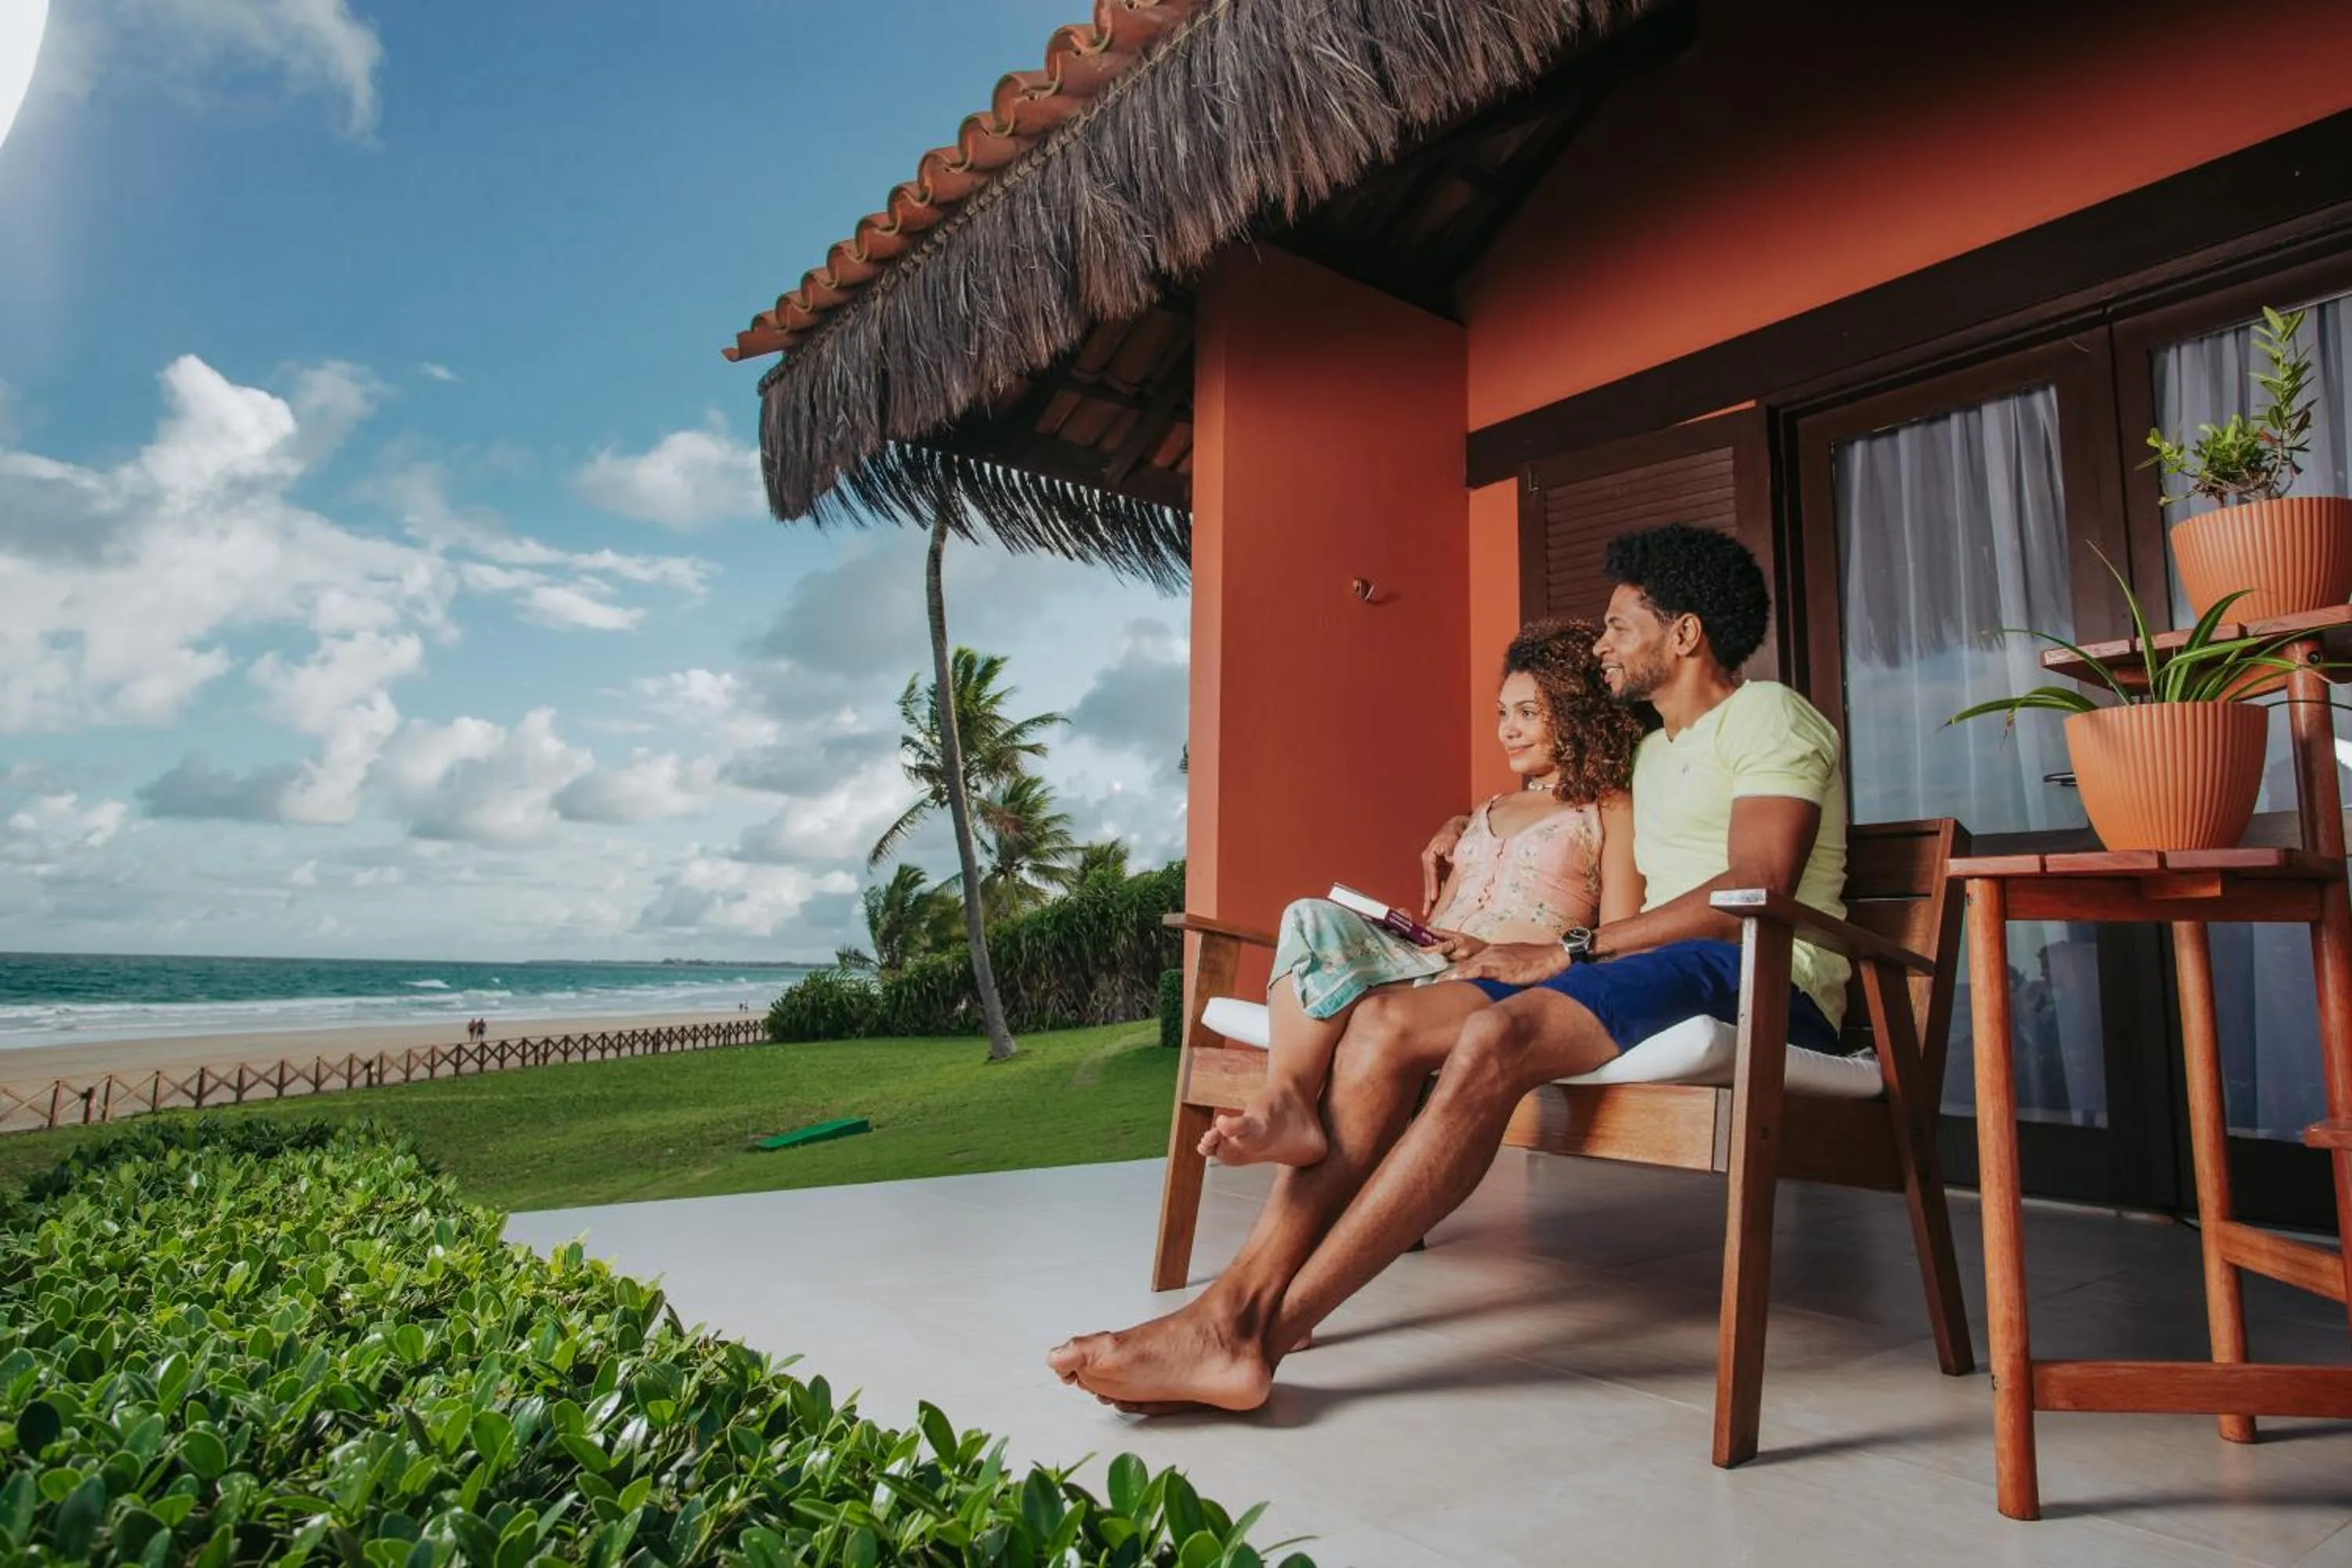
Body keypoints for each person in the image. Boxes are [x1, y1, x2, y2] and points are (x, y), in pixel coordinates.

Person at [1047, 521, 1849, 1413]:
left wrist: (1570, 947)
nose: (1602, 645)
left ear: (1686, 633)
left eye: (1620, 626)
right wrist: (1463, 827)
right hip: (1655, 973)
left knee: (1496, 1035)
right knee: (1385, 1023)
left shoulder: (1767, 714)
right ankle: (1239, 1306)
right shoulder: (1651, 750)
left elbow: (1755, 885)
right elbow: (1562, 773)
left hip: (1761, 975)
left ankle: (1249, 1332)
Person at [1198, 618, 1643, 1168]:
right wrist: (1408, 930)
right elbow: (1446, 917)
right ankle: (1286, 1102)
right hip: (1431, 962)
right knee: (1308, 915)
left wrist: (1496, 952)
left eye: (1528, 713)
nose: (1508, 730)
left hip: (1506, 978)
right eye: (1503, 713)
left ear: (1577, 711)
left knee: (1368, 1006)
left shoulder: (1608, 808)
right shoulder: (1489, 809)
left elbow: (1615, 939)